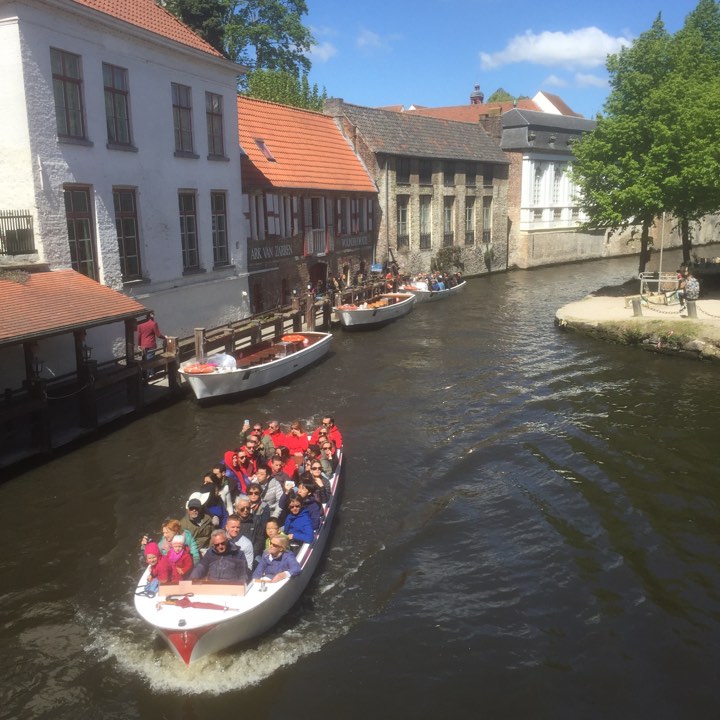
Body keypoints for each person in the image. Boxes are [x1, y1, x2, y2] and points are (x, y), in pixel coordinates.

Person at [136, 311, 165, 378]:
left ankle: (145, 375)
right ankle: (151, 375)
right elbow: (158, 335)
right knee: (150, 360)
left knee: (145, 360)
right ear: (151, 316)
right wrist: (165, 338)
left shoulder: (140, 324)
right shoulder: (153, 324)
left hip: (143, 345)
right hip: (151, 344)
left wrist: (139, 344)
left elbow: (139, 335)